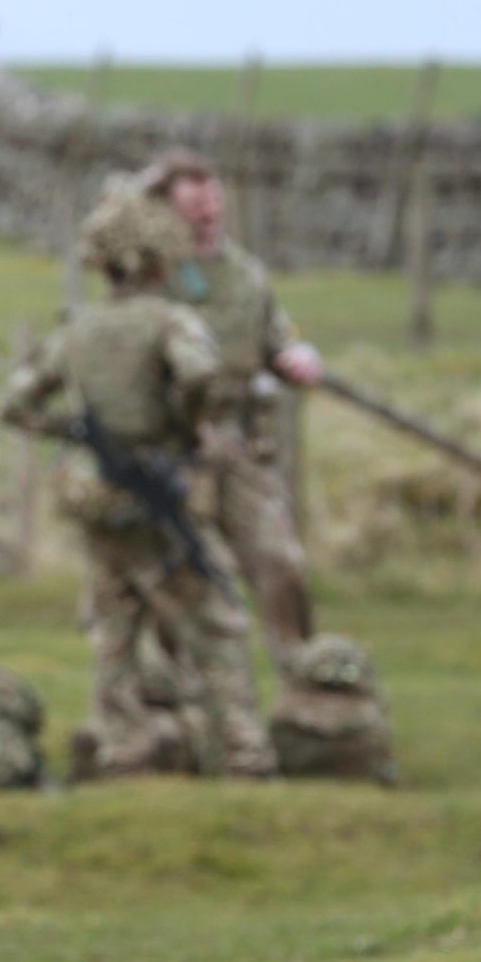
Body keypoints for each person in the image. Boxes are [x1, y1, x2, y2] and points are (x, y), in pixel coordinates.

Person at [6, 180, 276, 780]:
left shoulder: (78, 328)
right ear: (160, 257)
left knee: (114, 622)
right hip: (159, 490)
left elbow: (18, 403)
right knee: (217, 618)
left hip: (95, 494)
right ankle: (242, 749)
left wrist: (75, 429)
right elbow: (202, 374)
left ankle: (122, 747)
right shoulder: (170, 320)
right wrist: (192, 423)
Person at [143, 149, 321, 666]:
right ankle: (173, 703)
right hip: (176, 444)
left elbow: (278, 337)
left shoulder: (246, 274)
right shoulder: (153, 275)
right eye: (193, 203)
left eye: (213, 199)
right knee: (181, 575)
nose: (207, 212)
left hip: (242, 441)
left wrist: (297, 354)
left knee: (280, 562)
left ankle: (305, 681)